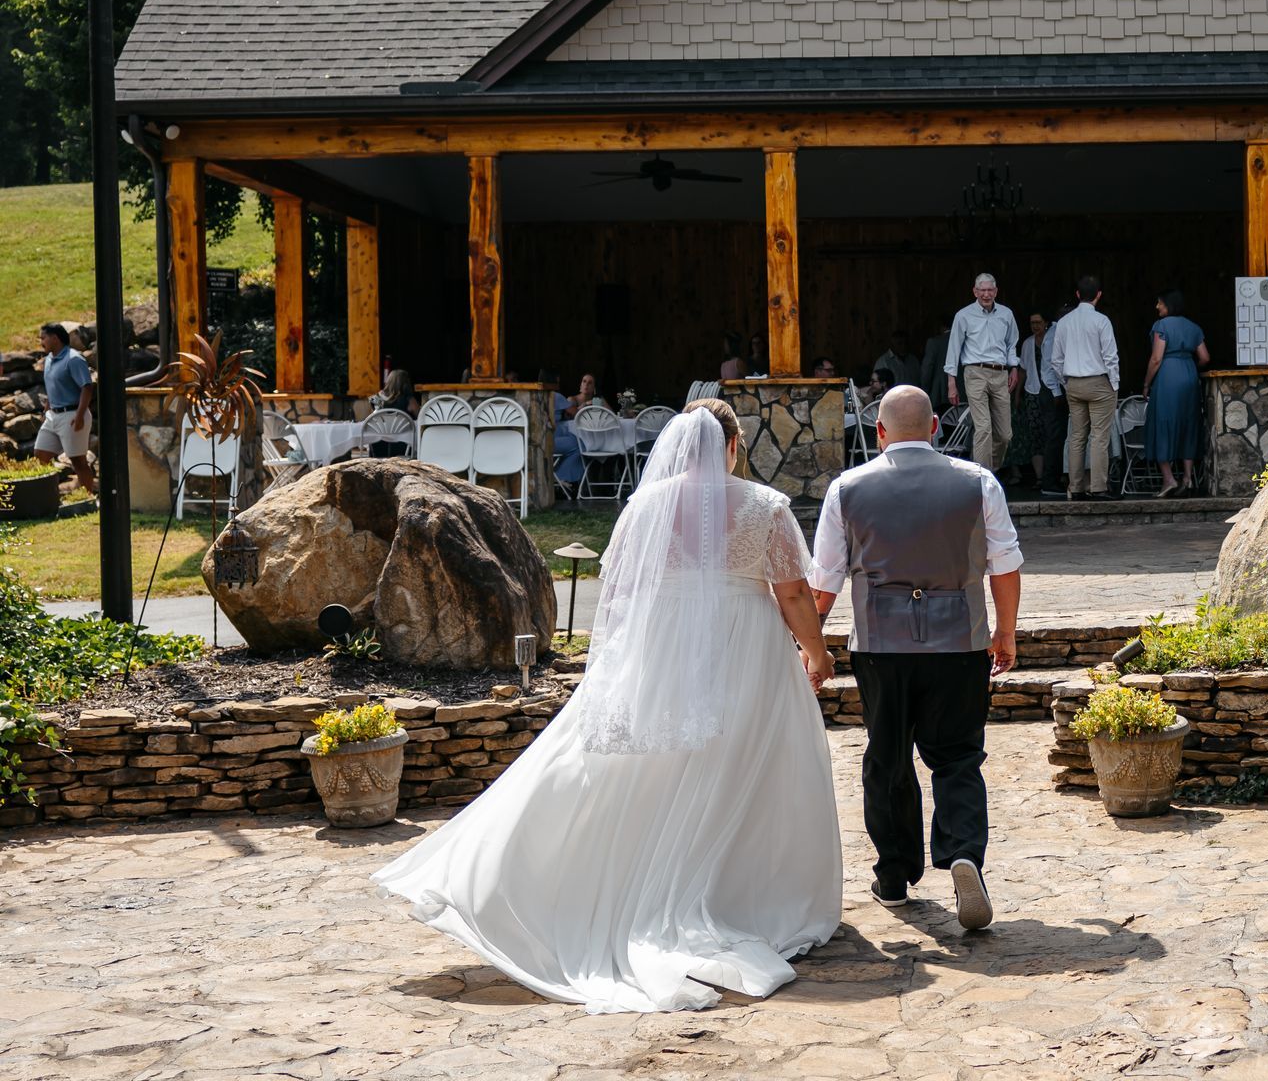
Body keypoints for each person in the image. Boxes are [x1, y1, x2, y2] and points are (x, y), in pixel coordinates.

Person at [374, 400, 840, 1012]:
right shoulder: (764, 507)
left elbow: (618, 592)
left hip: (661, 650)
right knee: (743, 770)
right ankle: (734, 895)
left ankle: (513, 879)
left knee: (645, 771)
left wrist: (624, 662)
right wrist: (816, 653)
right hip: (746, 650)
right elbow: (794, 593)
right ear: (732, 446)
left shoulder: (644, 506)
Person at [808, 386, 1023, 929]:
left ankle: (895, 876)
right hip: (961, 641)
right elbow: (1006, 565)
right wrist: (1006, 634)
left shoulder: (846, 489)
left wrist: (811, 647)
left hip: (882, 647)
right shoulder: (978, 482)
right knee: (957, 757)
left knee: (887, 759)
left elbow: (825, 582)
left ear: (880, 432)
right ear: (933, 428)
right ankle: (964, 854)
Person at [1049, 275, 1121, 501]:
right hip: (1099, 382)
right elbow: (1111, 357)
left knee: (1077, 436)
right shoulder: (1102, 321)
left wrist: (1066, 381)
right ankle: (1098, 487)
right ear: (1099, 294)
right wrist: (1114, 383)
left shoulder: (1064, 322)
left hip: (1073, 383)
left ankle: (1076, 487)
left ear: (1077, 295)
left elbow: (1056, 360)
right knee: (1099, 436)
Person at [942, 273, 1021, 475]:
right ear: (975, 292)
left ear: (996, 291)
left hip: (1000, 372)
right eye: (982, 290)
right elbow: (954, 348)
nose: (986, 294)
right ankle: (982, 479)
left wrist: (1014, 367)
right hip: (974, 372)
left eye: (990, 290)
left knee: (1005, 434)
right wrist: (951, 381)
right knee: (983, 428)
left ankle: (990, 471)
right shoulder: (964, 315)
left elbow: (1012, 343)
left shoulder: (1006, 314)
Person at [1142, 290, 1209, 497]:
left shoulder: (1161, 326)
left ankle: (1169, 479)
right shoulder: (1193, 327)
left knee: (1161, 423)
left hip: (1167, 377)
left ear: (1168, 305)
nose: (1157, 307)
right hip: (1189, 374)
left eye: (1159, 303)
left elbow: (1156, 358)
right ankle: (1187, 479)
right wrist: (1189, 366)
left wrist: (1146, 384)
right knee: (1188, 423)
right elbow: (1205, 357)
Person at [34, 323, 94, 495]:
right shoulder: (48, 360)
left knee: (78, 462)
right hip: (53, 416)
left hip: (73, 415)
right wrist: (46, 411)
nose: (41, 342)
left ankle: (88, 499)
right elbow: (53, 388)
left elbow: (87, 387)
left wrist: (80, 415)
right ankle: (48, 496)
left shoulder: (74, 359)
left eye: (43, 338)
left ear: (55, 338)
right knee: (40, 455)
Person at [1006, 311, 1051, 490]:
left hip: (1051, 391)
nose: (1035, 326)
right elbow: (1023, 370)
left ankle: (1054, 474)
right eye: (1032, 323)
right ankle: (1040, 477)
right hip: (1032, 392)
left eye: (1038, 322)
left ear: (1046, 323)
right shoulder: (1027, 343)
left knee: (1052, 433)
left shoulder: (1052, 340)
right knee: (1035, 434)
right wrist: (1017, 395)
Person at [1037, 300, 1071, 494]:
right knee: (1055, 437)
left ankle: (1057, 477)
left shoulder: (1060, 332)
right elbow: (1050, 367)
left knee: (1060, 436)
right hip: (1052, 391)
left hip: (1056, 389)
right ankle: (1050, 482)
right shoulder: (1055, 333)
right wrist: (1058, 392)